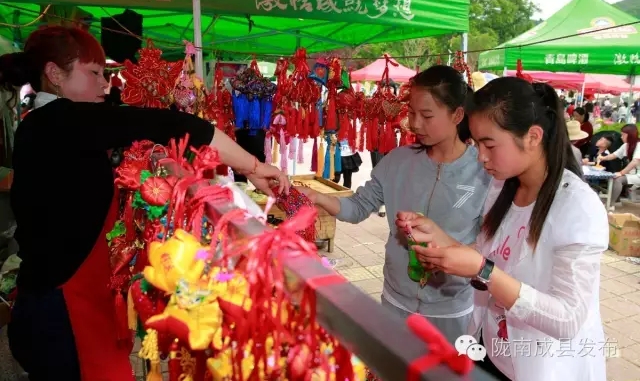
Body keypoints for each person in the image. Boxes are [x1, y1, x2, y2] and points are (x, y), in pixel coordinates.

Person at [0, 26, 289, 381]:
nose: (104, 84)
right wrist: (255, 167)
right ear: (55, 74)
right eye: (93, 73)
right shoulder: (57, 121)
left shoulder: (50, 124)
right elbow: (174, 123)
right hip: (60, 307)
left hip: (68, 296)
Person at [397, 78, 607, 381]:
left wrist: (484, 271)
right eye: (477, 144)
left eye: (489, 144)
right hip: (492, 351)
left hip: (544, 366)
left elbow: (568, 318)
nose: (481, 156)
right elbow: (486, 254)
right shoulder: (502, 186)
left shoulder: (577, 208)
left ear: (533, 137)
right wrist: (436, 237)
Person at [300, 65, 492, 344]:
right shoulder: (398, 162)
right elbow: (357, 207)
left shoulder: (483, 173)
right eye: (412, 113)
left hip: (451, 311)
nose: (415, 124)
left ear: (457, 115)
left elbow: (491, 247)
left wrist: (456, 255)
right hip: (395, 303)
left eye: (426, 115)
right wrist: (318, 198)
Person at [598, 124, 640, 209]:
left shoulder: (639, 145)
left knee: (618, 179)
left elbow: (635, 161)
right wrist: (602, 157)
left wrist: (621, 173)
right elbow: (614, 155)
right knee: (615, 177)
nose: (621, 137)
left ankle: (610, 204)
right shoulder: (626, 146)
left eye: (623, 135)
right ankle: (613, 201)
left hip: (638, 174)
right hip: (634, 173)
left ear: (630, 135)